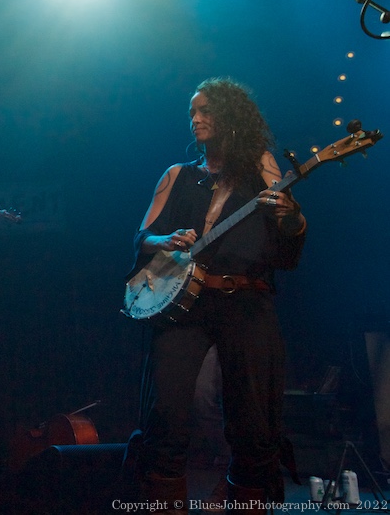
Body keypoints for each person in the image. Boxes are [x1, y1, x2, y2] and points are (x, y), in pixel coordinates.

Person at [129, 77, 307, 513]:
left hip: (245, 302)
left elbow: (288, 238)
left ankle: (244, 494)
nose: (195, 119)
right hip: (184, 303)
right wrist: (164, 238)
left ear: (229, 115)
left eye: (205, 110)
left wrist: (292, 217)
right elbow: (141, 237)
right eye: (192, 112)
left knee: (251, 416)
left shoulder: (262, 165)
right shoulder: (178, 175)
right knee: (168, 409)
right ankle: (163, 501)